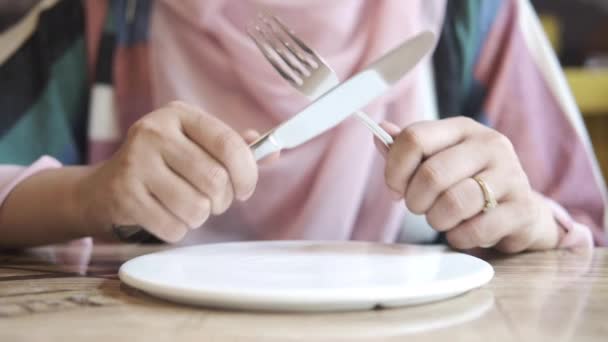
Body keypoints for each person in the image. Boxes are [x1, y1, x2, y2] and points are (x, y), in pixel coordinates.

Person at [0, 0, 605, 252]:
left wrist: (532, 222)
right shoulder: (93, 22)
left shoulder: (476, 17)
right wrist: (84, 196)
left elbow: (592, 237)